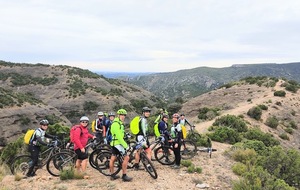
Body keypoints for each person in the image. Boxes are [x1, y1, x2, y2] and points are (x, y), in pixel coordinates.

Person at [109, 109, 132, 182]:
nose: (123, 116)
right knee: (126, 158)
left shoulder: (119, 123)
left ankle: (112, 175)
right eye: (121, 115)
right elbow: (119, 137)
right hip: (117, 144)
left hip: (116, 143)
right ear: (118, 115)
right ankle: (124, 176)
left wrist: (126, 134)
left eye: (124, 115)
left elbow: (121, 133)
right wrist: (126, 146)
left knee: (113, 158)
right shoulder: (116, 124)